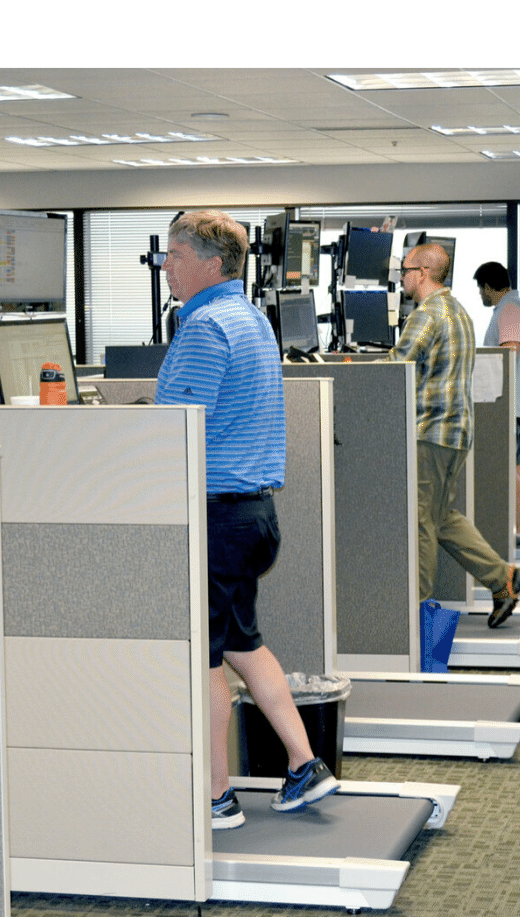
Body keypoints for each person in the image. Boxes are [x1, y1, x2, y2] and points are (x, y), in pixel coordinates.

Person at [155, 210, 338, 831]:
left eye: (174, 256)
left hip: (214, 517)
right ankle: (304, 763)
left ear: (209, 264)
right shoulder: (252, 318)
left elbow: (173, 431)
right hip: (253, 515)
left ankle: (216, 798)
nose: (167, 267)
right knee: (242, 642)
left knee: (203, 660)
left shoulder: (205, 327)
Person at [389, 241, 520, 627]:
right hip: (456, 433)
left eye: (406, 270)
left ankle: (417, 619)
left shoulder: (425, 315)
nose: (402, 277)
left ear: (423, 274)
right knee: (442, 517)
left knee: (420, 522)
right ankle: (502, 578)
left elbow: (392, 370)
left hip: (428, 432)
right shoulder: (460, 312)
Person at [473, 261, 520, 547]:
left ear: (489, 287)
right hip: (514, 405)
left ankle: (519, 531)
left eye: (480, 290)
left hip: (508, 406)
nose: (480, 296)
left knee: (509, 467)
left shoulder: (510, 309)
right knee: (516, 465)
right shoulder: (510, 307)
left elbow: (509, 351)